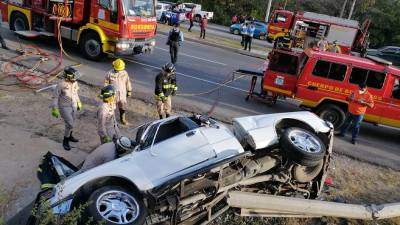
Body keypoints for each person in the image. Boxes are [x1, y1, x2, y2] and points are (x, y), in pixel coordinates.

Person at [51, 67, 82, 151]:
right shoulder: (61, 84)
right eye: (73, 77)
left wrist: (78, 102)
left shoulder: (75, 83)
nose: (75, 79)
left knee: (72, 122)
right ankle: (65, 140)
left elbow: (76, 93)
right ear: (68, 76)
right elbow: (55, 97)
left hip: (73, 105)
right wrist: (54, 108)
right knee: (70, 124)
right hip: (64, 107)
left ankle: (70, 136)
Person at [104, 58, 132, 125]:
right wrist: (106, 94)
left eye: (120, 69)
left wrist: (129, 90)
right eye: (118, 69)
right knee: (111, 108)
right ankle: (111, 120)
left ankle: (122, 118)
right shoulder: (109, 74)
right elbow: (105, 84)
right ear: (113, 66)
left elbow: (128, 82)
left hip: (122, 94)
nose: (119, 70)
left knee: (123, 106)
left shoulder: (125, 73)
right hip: (113, 94)